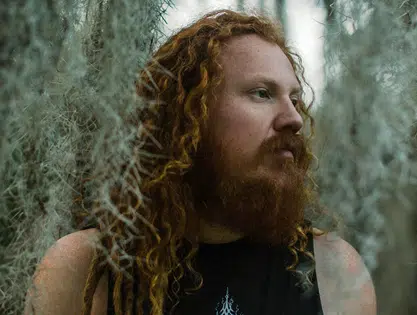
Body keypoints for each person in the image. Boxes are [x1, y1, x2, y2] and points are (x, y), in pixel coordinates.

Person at [23, 9, 376, 315]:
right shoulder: (86, 270)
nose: (294, 118)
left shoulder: (334, 272)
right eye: (262, 93)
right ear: (189, 117)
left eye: (295, 99)